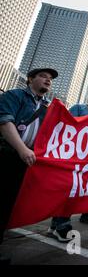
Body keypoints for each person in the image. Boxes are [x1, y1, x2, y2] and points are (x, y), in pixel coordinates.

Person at [0, 68, 58, 264]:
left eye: (50, 79)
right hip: (6, 154)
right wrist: (22, 148)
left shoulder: (48, 107)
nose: (48, 81)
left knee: (8, 203)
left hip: (25, 161)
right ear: (30, 79)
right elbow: (5, 122)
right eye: (43, 76)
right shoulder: (14, 95)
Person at [50, 89, 88, 239]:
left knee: (74, 190)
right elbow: (64, 126)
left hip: (86, 159)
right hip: (71, 155)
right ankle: (62, 225)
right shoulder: (78, 108)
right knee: (69, 189)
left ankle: (56, 224)